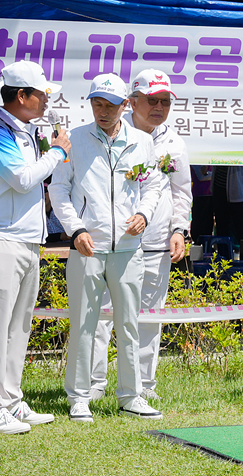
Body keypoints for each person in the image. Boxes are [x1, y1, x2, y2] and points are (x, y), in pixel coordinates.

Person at [51, 73, 163, 423]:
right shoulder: (76, 141)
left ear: (125, 105)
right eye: (96, 104)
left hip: (129, 248)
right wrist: (76, 229)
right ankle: (79, 397)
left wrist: (144, 213)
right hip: (87, 247)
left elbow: (153, 185)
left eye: (110, 105)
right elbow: (59, 190)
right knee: (84, 324)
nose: (102, 111)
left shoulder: (141, 142)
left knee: (129, 323)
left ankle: (132, 395)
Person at [0, 61, 70, 434]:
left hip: (29, 240)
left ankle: (11, 400)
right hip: (0, 240)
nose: (47, 100)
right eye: (42, 94)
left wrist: (51, 151)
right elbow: (21, 179)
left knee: (20, 327)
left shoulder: (27, 132)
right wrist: (58, 151)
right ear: (21, 96)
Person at [89, 69, 191, 403]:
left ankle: (144, 384)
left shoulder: (174, 142)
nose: (159, 107)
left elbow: (182, 192)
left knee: (148, 316)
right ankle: (94, 383)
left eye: (165, 101)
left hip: (158, 244)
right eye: (151, 100)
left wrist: (179, 229)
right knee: (103, 313)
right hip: (114, 244)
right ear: (131, 102)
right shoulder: (113, 134)